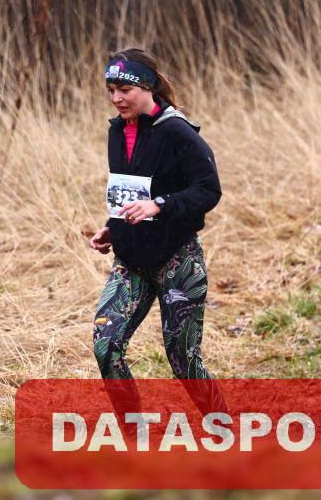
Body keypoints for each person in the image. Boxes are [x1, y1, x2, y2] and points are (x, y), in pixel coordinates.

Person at [88, 47, 223, 413]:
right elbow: (131, 191)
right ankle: (134, 435)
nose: (116, 98)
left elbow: (209, 190)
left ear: (147, 87)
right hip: (130, 262)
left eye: (124, 90)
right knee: (106, 346)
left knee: (183, 361)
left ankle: (224, 430)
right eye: (111, 90)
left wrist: (160, 205)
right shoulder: (117, 131)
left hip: (177, 259)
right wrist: (113, 227)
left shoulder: (177, 131)